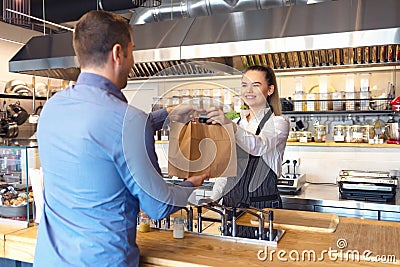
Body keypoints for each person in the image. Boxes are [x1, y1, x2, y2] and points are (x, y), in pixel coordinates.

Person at [34, 10, 208, 267]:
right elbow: (159, 206)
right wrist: (192, 184)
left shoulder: (51, 108)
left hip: (50, 259)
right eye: (132, 50)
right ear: (118, 53)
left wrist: (168, 114)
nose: (133, 61)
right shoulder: (128, 121)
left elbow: (104, 135)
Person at [207, 65, 290, 209]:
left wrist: (229, 125)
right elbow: (228, 171)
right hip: (231, 204)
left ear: (270, 90)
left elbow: (259, 147)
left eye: (255, 85)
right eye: (244, 85)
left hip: (263, 207)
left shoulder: (278, 123)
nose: (248, 91)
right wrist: (214, 197)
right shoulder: (238, 123)